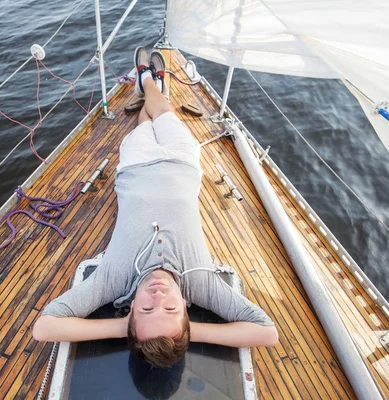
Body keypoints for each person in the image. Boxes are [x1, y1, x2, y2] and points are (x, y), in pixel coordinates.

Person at [33, 47, 278, 368]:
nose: (159, 297)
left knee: (143, 124)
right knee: (162, 114)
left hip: (135, 164)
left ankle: (148, 82)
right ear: (186, 308)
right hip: (182, 160)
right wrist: (185, 331)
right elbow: (266, 332)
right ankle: (150, 82)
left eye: (147, 310)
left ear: (130, 308)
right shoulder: (201, 286)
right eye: (172, 310)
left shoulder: (113, 281)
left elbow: (44, 327)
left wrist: (130, 328)